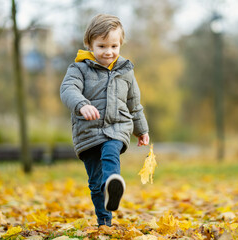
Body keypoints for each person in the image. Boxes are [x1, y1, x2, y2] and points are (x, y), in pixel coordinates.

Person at [60, 13, 149, 227]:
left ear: (120, 45)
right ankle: (104, 220)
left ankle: (113, 182)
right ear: (89, 44)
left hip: (117, 127)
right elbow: (67, 89)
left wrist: (142, 129)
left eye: (114, 46)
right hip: (88, 132)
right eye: (102, 46)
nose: (108, 52)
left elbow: (134, 104)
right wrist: (82, 105)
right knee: (94, 182)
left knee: (110, 152)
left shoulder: (126, 71)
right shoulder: (78, 69)